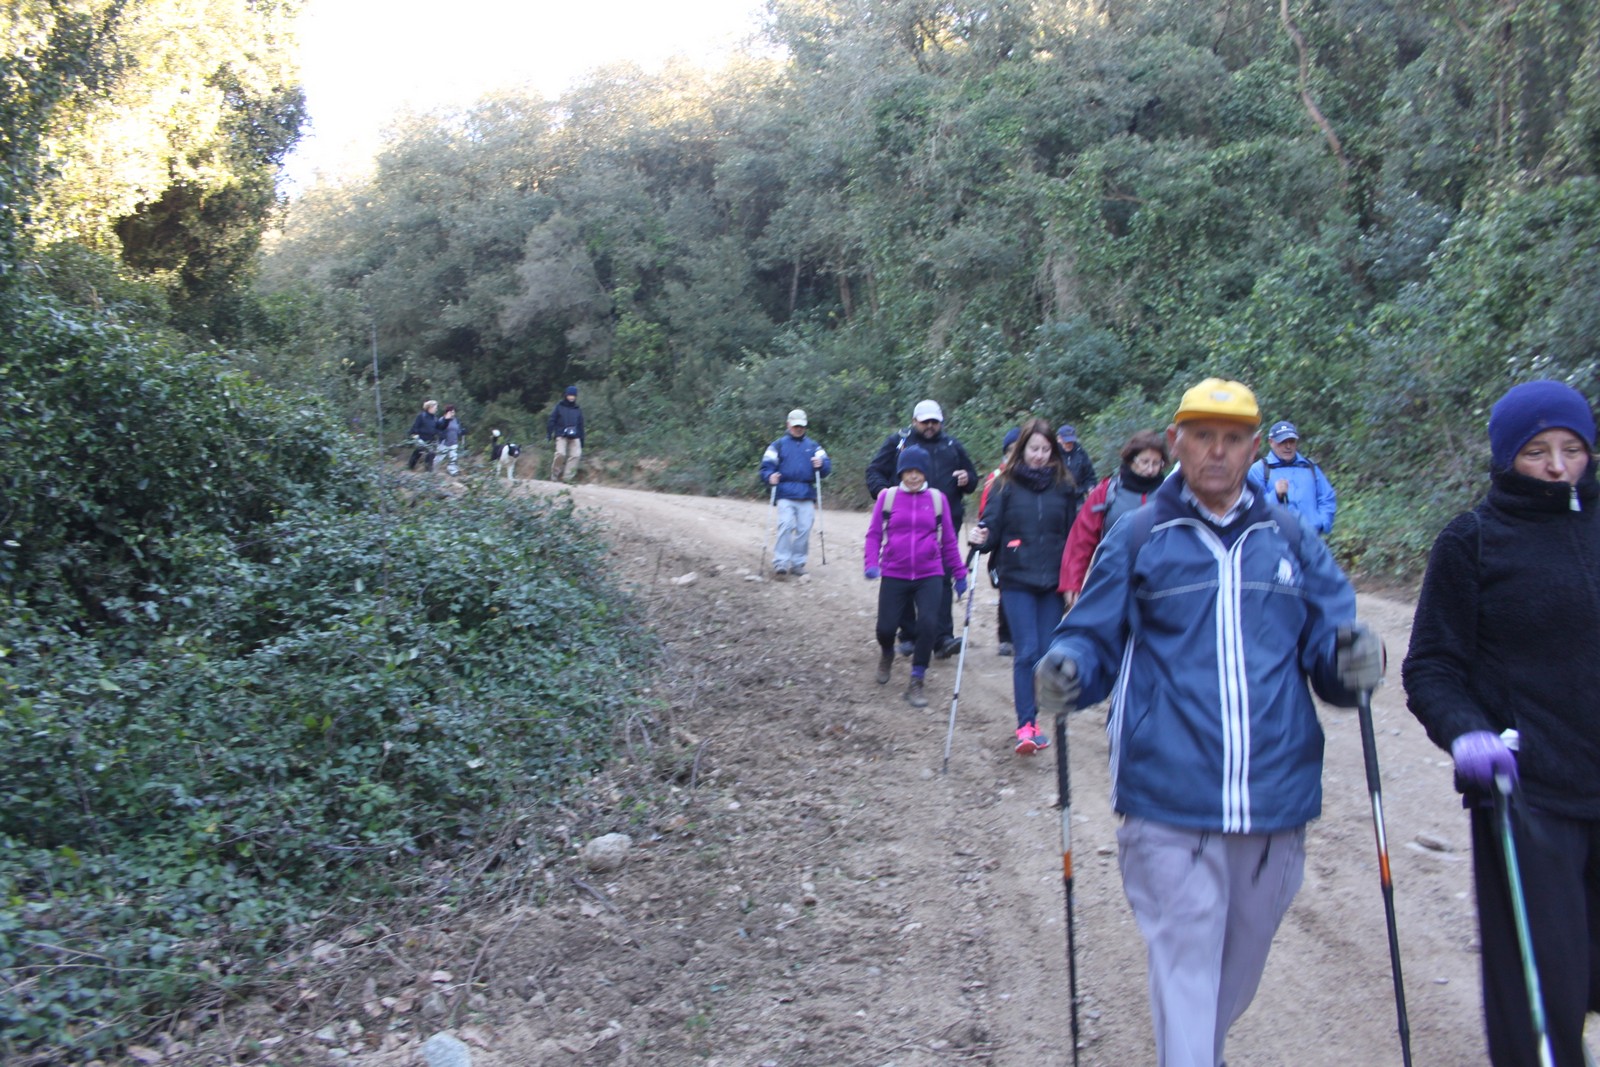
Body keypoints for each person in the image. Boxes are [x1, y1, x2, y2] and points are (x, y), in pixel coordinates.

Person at [1033, 377, 1384, 1067]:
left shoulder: (1290, 538)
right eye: (1202, 437)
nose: (1217, 452)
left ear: (1254, 449)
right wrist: (1068, 666)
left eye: (1232, 439)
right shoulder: (1139, 535)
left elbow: (1333, 643)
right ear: (1176, 442)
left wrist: (1352, 662)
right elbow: (1092, 638)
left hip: (1275, 798)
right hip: (1167, 798)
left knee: (1233, 974)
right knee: (1186, 960)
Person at [1402, 380, 1600, 1067]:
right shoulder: (1473, 541)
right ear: (1505, 456)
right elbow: (1431, 666)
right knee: (1544, 992)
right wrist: (1466, 732)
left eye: (1572, 448)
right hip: (1529, 793)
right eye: (1537, 451)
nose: (1558, 466)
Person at [969, 418, 1078, 755]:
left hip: (1052, 582)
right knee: (1027, 651)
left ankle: (1037, 716)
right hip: (1017, 578)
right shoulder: (1004, 485)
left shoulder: (1064, 486)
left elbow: (1074, 536)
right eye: (1034, 449)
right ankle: (1026, 725)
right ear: (1022, 449)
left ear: (1053, 451)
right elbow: (991, 527)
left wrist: (1074, 579)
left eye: (1046, 449)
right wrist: (981, 536)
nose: (1039, 455)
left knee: (1046, 654)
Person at [865, 400, 978, 658]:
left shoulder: (952, 446)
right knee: (905, 574)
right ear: (914, 421)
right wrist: (883, 493)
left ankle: (942, 637)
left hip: (943, 521)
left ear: (941, 422)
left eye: (934, 421)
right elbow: (874, 471)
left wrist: (967, 479)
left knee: (941, 577)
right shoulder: (899, 442)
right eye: (925, 421)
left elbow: (972, 479)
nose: (930, 426)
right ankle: (908, 634)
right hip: (903, 522)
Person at [863, 444, 969, 708]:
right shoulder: (887, 497)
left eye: (918, 472)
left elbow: (949, 541)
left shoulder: (937, 499)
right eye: (908, 471)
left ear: (925, 473)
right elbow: (874, 534)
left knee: (928, 625)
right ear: (900, 472)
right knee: (886, 628)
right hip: (894, 572)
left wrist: (959, 573)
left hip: (929, 573)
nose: (913, 476)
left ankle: (917, 678)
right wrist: (871, 563)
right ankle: (887, 652)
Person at [1058, 430, 1169, 607]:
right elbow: (1081, 539)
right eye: (1144, 462)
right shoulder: (1107, 492)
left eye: (1156, 463)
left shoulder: (1169, 494)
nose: (1150, 469)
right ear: (1131, 460)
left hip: (1159, 585)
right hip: (1113, 583)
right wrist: (1072, 581)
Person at [759, 408, 832, 579]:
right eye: (795, 425)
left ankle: (798, 563)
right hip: (785, 493)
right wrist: (769, 476)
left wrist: (821, 464)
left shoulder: (814, 446)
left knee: (804, 529)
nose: (799, 428)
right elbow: (765, 467)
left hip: (806, 493)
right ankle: (781, 562)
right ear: (788, 425)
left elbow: (827, 466)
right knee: (785, 525)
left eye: (802, 426)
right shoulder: (777, 445)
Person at [1248, 420, 1336, 535]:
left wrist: (1323, 523)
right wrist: (1276, 495)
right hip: (1275, 539)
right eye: (1283, 442)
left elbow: (1326, 497)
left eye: (1291, 441)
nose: (1288, 446)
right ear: (1271, 442)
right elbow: (1251, 507)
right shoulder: (1259, 470)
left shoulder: (1309, 467)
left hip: (1310, 536)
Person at [978, 427, 1022, 655]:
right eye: (1011, 450)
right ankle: (1005, 636)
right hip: (1003, 542)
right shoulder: (996, 478)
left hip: (1026, 540)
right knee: (1006, 586)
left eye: (1019, 449)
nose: (1015, 454)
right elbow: (985, 510)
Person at [1057, 423, 1098, 512]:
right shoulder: (1053, 454)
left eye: (1071, 441)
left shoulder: (1081, 453)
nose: (1069, 444)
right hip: (1058, 499)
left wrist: (1090, 488)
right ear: (1059, 439)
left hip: (1077, 499)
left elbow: (1089, 476)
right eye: (1066, 441)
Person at [547, 385, 585, 482]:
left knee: (576, 455)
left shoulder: (577, 409)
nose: (571, 397)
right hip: (561, 434)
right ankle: (554, 475)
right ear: (566, 395)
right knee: (560, 454)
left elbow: (581, 425)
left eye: (573, 396)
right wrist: (549, 433)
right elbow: (552, 420)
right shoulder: (559, 407)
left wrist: (582, 440)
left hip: (575, 435)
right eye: (570, 395)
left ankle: (567, 478)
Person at [406, 399, 439, 471]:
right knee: (418, 452)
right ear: (430, 407)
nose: (436, 409)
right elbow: (415, 427)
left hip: (431, 439)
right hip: (421, 438)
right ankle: (410, 467)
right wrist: (415, 436)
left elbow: (436, 429)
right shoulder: (421, 416)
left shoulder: (435, 418)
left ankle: (428, 471)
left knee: (431, 454)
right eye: (435, 407)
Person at [435, 404, 465, 476]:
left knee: (453, 457)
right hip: (444, 442)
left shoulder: (456, 420)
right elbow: (438, 429)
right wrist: (442, 435)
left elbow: (458, 430)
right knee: (439, 457)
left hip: (454, 442)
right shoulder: (442, 419)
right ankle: (433, 470)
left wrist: (462, 432)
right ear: (447, 412)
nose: (453, 413)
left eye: (454, 412)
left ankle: (453, 471)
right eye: (451, 412)